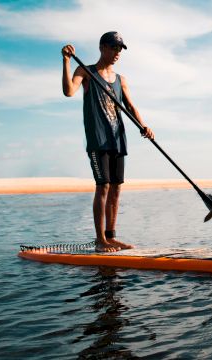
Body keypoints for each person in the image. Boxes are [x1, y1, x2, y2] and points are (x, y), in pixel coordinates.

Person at [61, 31, 154, 252]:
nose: (117, 53)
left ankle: (111, 237)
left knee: (116, 188)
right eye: (113, 48)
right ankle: (100, 239)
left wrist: (143, 126)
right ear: (102, 47)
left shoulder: (121, 80)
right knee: (102, 187)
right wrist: (65, 61)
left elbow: (130, 106)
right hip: (98, 140)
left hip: (118, 138)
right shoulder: (86, 71)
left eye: (120, 49)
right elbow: (68, 91)